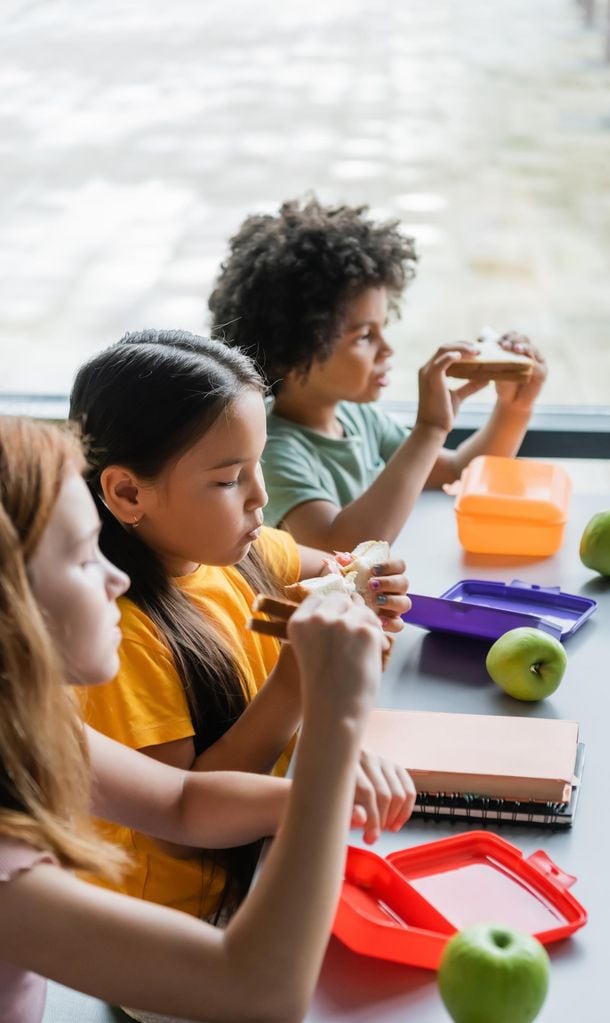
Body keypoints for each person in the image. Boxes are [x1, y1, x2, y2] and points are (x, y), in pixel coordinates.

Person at [0, 413, 395, 1023]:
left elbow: (182, 802)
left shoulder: (28, 727)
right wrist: (334, 723)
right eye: (83, 560)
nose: (118, 576)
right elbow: (259, 993)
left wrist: (323, 792)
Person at [68, 331, 414, 938]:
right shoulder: (119, 635)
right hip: (187, 927)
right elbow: (181, 821)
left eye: (258, 464)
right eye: (229, 480)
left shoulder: (242, 555)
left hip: (273, 849)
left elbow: (335, 568)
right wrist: (295, 689)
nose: (262, 496)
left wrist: (369, 588)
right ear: (128, 493)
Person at [208, 196, 548, 551]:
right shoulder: (270, 451)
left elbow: (457, 472)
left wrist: (513, 409)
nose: (387, 349)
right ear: (293, 351)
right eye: (366, 336)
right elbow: (339, 544)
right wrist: (430, 429)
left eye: (383, 328)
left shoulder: (358, 418)